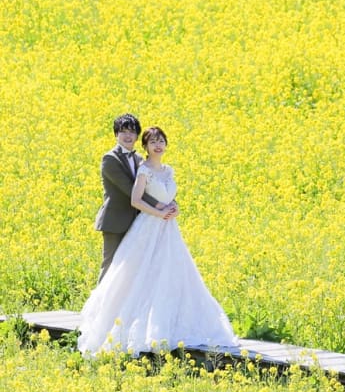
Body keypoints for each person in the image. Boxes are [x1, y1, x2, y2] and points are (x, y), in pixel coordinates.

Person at [78, 125, 240, 357]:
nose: (158, 145)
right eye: (153, 141)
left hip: (168, 228)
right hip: (149, 226)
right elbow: (136, 200)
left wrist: (174, 208)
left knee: (173, 272)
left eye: (161, 141)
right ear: (145, 147)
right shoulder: (143, 170)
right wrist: (159, 212)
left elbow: (169, 197)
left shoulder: (169, 170)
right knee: (142, 273)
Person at [94, 113, 175, 283]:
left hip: (139, 221)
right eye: (123, 131)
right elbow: (130, 190)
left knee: (133, 269)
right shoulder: (110, 159)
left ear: (138, 136)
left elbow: (154, 185)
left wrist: (172, 204)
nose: (128, 136)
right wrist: (160, 206)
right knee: (110, 266)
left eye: (132, 132)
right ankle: (101, 308)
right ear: (116, 134)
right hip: (115, 221)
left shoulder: (139, 159)